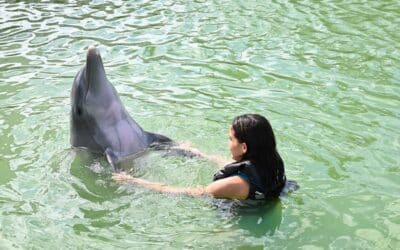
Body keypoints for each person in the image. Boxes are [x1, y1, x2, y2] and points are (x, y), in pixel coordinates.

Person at [113, 114, 286, 200]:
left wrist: (134, 181)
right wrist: (198, 154)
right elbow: (234, 166)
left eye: (230, 139)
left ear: (244, 147)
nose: (228, 143)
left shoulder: (235, 185)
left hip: (237, 224)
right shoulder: (270, 162)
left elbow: (191, 193)